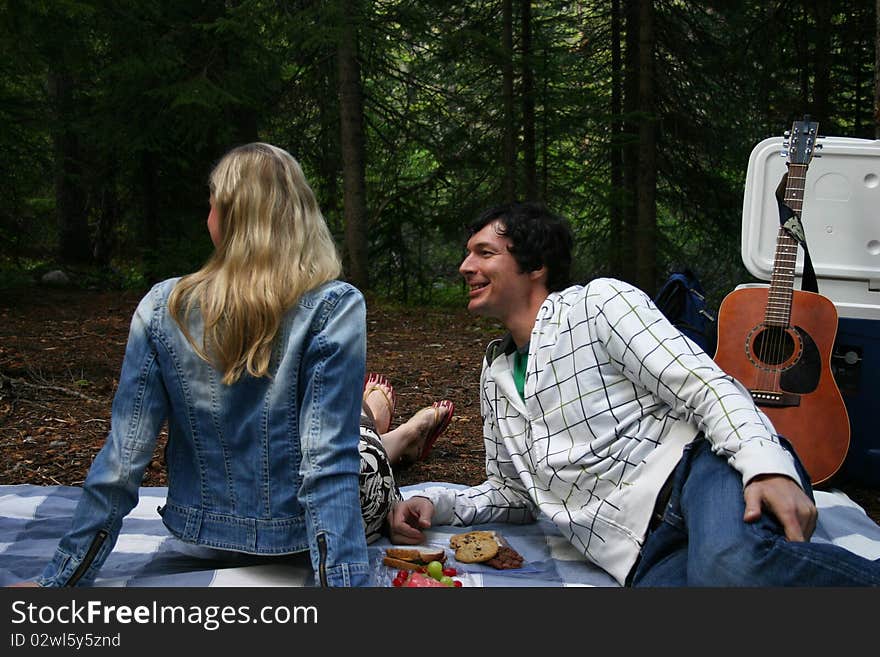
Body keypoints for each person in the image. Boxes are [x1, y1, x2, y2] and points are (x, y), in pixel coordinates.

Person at [15, 142, 451, 589]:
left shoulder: (163, 306)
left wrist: (57, 583)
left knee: (351, 435)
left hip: (199, 535)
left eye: (211, 207)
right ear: (299, 220)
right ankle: (392, 431)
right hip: (298, 538)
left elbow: (123, 459)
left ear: (226, 219)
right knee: (359, 445)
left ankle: (384, 424)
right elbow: (327, 466)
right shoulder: (333, 305)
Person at [389, 201, 880, 586]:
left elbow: (704, 384)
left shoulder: (598, 304)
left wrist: (765, 464)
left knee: (733, 569)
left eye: (484, 252)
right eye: (467, 253)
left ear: (534, 264)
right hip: (638, 556)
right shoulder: (495, 373)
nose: (464, 266)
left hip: (697, 472)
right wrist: (434, 499)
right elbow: (512, 496)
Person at [358, 372, 454, 543]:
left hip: (312, 530)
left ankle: (376, 436)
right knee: (345, 398)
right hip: (372, 508)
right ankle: (393, 436)